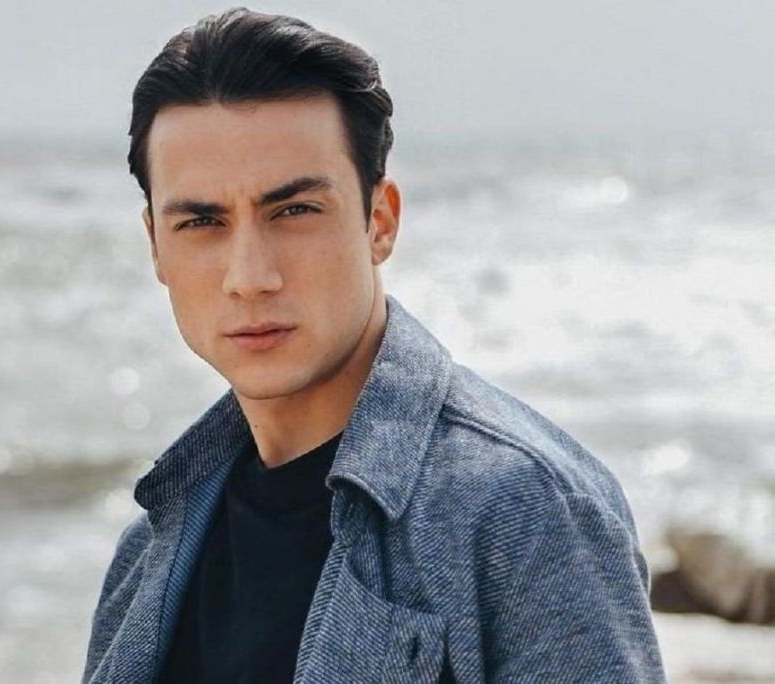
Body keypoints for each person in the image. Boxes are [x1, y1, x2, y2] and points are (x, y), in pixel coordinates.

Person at [81, 7, 666, 683]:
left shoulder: (525, 510)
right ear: (156, 246)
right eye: (202, 223)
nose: (249, 277)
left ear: (380, 222)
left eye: (294, 211)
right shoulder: (149, 553)